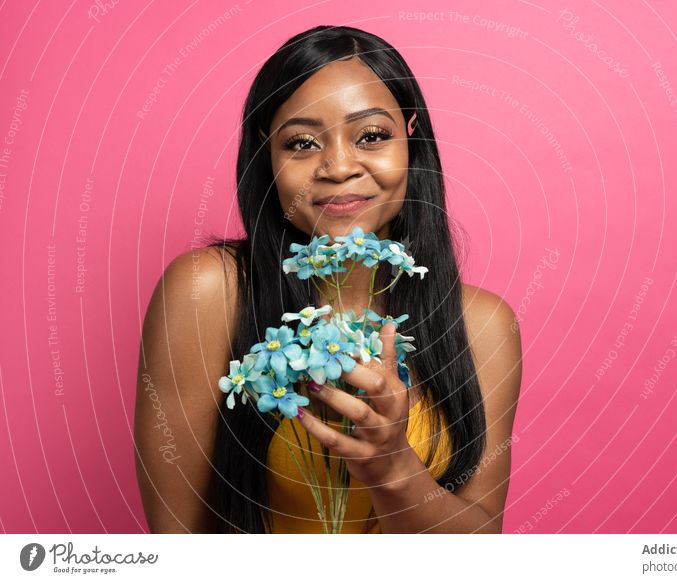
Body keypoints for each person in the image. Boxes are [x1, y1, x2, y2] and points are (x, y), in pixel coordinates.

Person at [134, 24, 521, 534]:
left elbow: (480, 551)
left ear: (411, 135)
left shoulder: (483, 325)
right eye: (301, 143)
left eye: (372, 136)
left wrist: (394, 467)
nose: (338, 166)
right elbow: (175, 549)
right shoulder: (208, 292)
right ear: (267, 157)